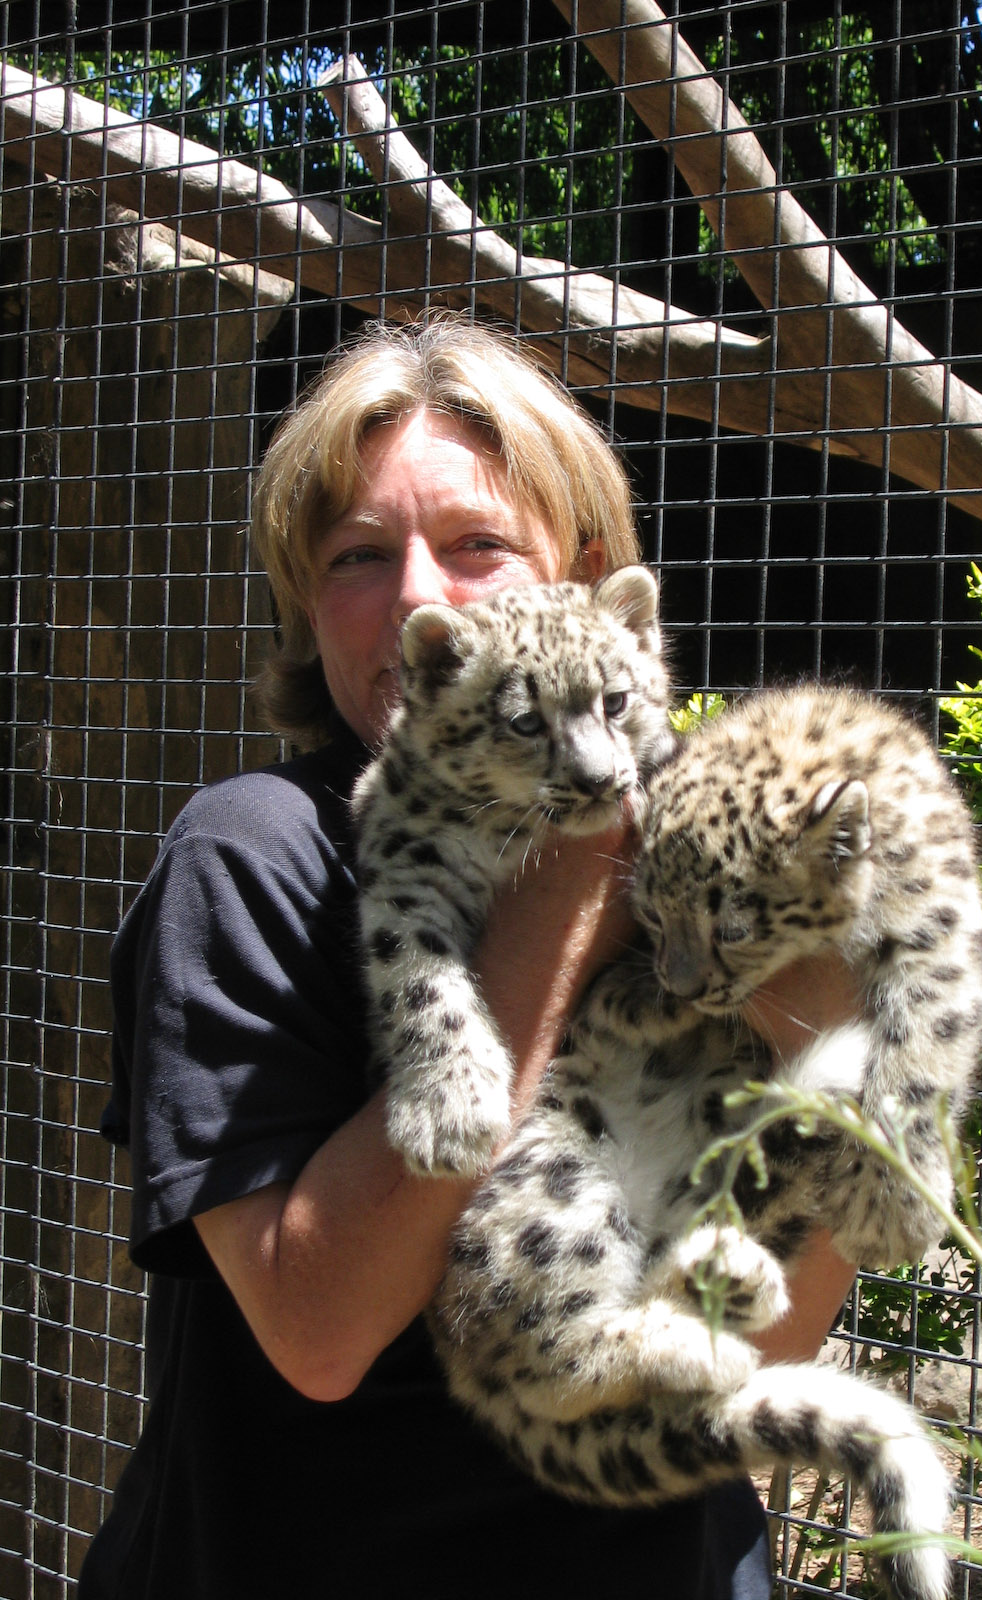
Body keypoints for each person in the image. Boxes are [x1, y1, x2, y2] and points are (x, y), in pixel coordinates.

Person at [80, 315, 857, 1600]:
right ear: (307, 606)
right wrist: (570, 871)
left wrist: (825, 1026)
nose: (423, 600)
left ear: (595, 579)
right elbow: (317, 1327)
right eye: (357, 557)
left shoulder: (702, 846)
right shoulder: (255, 857)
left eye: (481, 544)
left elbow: (767, 1345)